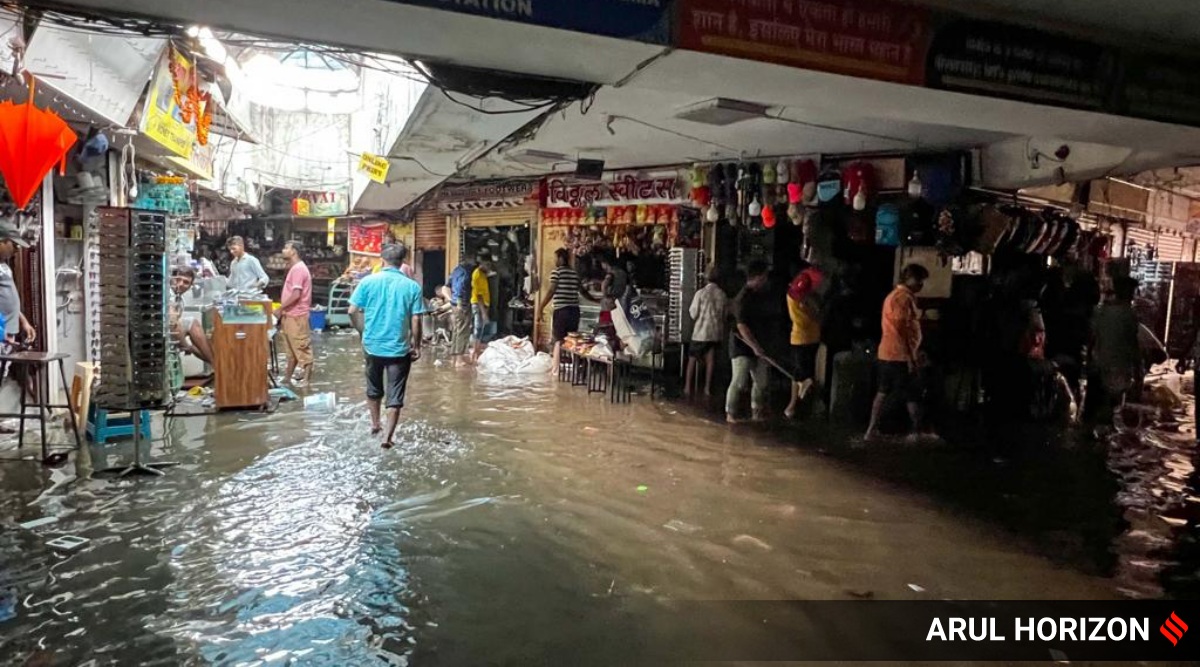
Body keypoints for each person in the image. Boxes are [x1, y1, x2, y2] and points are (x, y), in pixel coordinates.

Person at [348, 243, 425, 449]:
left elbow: (352, 310)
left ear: (382, 259)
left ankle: (375, 424)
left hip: (372, 345)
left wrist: (362, 332)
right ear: (403, 262)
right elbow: (416, 320)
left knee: (373, 388)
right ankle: (387, 438)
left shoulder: (367, 282)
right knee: (395, 393)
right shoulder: (412, 286)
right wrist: (417, 346)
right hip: (399, 348)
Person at [865, 263, 931, 442]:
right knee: (911, 392)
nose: (921, 285)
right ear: (912, 280)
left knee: (883, 391)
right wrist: (911, 357)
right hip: (899, 354)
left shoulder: (893, 296)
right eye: (921, 281)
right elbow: (902, 329)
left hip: (887, 352)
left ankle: (871, 430)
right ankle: (916, 431)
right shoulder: (903, 298)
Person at [1086, 276, 1141, 426]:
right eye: (1132, 291)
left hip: (1099, 368)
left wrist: (1088, 363)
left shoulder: (1101, 311)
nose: (1133, 295)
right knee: (1110, 415)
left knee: (1094, 415)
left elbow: (1091, 339)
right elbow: (1133, 345)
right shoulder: (1129, 315)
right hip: (1118, 372)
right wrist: (1138, 372)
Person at [726, 261, 772, 424]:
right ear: (758, 277)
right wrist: (755, 347)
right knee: (739, 381)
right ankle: (731, 414)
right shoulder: (742, 298)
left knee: (761, 382)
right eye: (765, 276)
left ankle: (756, 412)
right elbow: (742, 326)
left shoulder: (760, 295)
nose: (766, 280)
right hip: (742, 346)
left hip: (758, 345)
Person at [540, 248, 594, 375]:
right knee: (573, 340)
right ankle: (575, 370)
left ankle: (555, 371)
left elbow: (551, 291)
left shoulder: (556, 272)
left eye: (555, 258)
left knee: (558, 340)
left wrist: (541, 307)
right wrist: (596, 301)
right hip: (574, 311)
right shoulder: (574, 274)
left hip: (561, 311)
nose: (554, 261)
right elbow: (583, 291)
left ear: (560, 258)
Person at [784, 260, 824, 419]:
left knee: (799, 371)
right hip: (805, 337)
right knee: (800, 371)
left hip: (805, 338)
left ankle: (796, 402)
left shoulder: (799, 298)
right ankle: (796, 402)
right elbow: (811, 317)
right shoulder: (800, 300)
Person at [685, 267, 727, 397]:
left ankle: (687, 386)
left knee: (692, 359)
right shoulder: (722, 294)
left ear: (706, 279)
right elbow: (724, 316)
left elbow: (693, 313)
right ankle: (707, 388)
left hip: (700, 332)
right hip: (715, 333)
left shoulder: (700, 293)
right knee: (710, 360)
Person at [277, 240, 314, 385]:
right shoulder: (295, 268)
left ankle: (306, 380)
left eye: (286, 248)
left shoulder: (298, 269)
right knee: (291, 351)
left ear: (294, 251)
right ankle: (287, 378)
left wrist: (280, 308)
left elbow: (296, 294)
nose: (283, 250)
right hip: (290, 314)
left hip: (297, 315)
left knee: (302, 347)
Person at [169, 266, 215, 365]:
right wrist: (185, 346)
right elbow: (173, 324)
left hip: (171, 331)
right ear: (172, 279)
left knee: (195, 338)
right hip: (163, 331)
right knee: (192, 325)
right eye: (178, 280)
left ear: (190, 286)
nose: (180, 284)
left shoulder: (180, 300)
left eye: (186, 282)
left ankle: (216, 364)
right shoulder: (168, 294)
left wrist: (188, 347)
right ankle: (216, 365)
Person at [0, 222, 36, 348]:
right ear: (2, 241)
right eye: (14, 244)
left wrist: (24, 322)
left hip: (8, 333)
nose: (17, 249)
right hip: (2, 334)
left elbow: (8, 300)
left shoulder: (4, 266)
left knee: (4, 368)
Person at [470, 253, 496, 363]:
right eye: (487, 264)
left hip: (483, 305)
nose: (489, 266)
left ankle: (476, 351)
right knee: (478, 328)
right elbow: (479, 295)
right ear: (482, 263)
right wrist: (484, 312)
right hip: (478, 305)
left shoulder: (483, 274)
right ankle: (475, 353)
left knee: (480, 329)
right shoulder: (477, 274)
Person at [448, 258, 473, 366]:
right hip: (461, 303)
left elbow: (448, 285)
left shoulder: (456, 270)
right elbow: (459, 288)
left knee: (457, 330)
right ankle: (459, 359)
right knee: (463, 330)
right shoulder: (465, 272)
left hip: (454, 303)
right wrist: (459, 304)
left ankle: (454, 357)